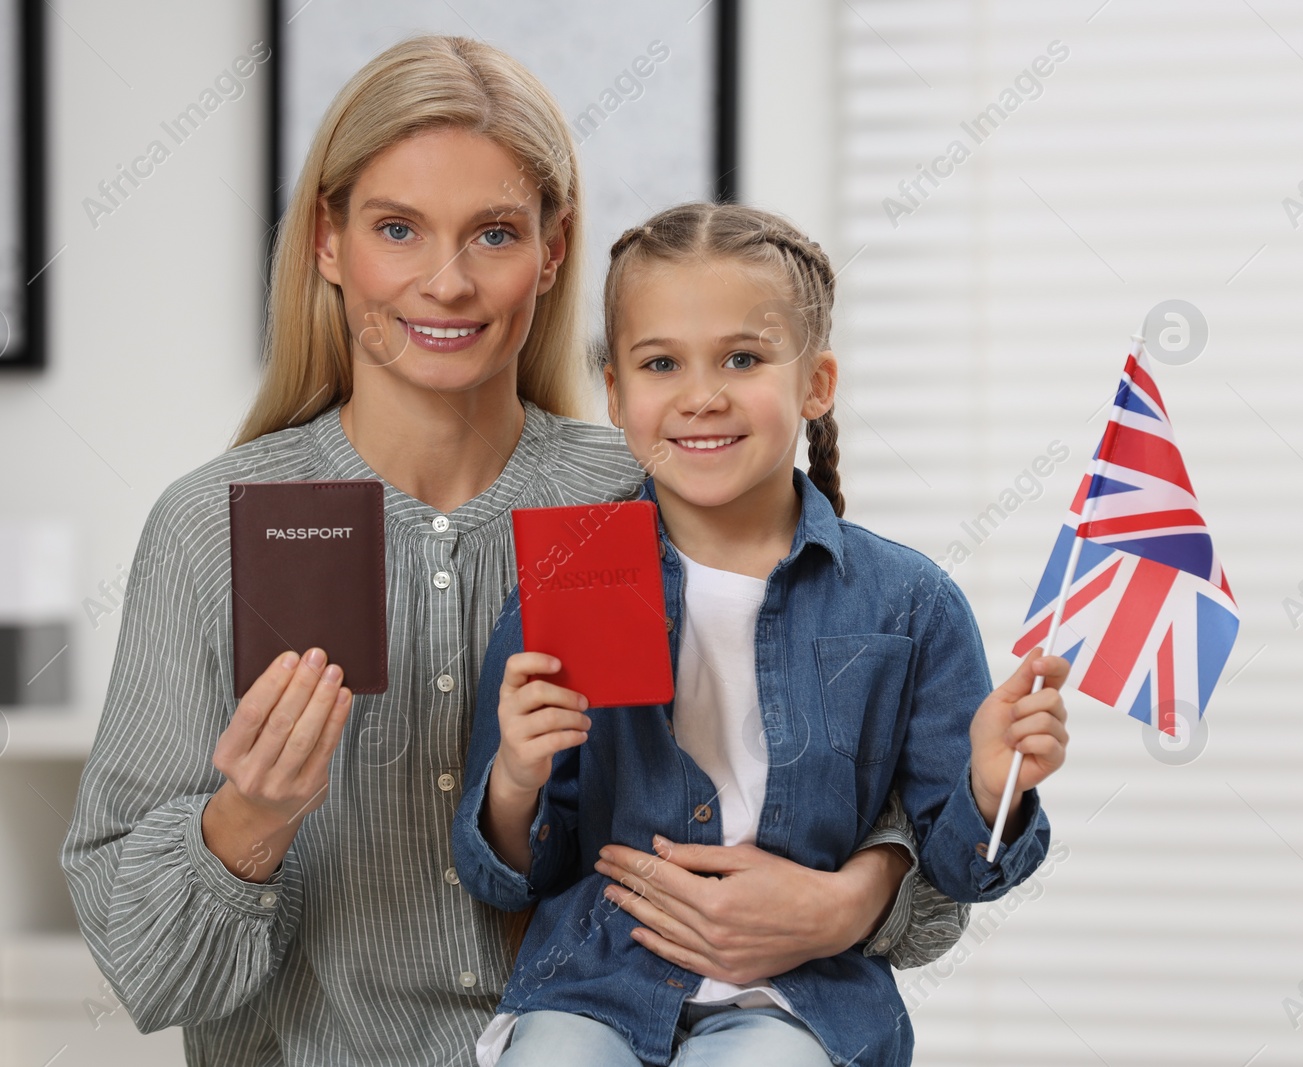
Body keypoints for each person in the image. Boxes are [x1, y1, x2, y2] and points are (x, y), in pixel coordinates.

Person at [61, 37, 966, 1067]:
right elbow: (143, 969)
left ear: (551, 248)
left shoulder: (651, 489)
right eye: (396, 228)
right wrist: (249, 820)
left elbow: (893, 782)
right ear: (326, 240)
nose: (444, 283)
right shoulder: (209, 528)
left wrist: (852, 896)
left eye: (492, 233)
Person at [451, 202, 1072, 1067]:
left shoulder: (910, 604)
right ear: (618, 394)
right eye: (661, 362)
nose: (702, 394)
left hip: (797, 997)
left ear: (815, 384)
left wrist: (991, 784)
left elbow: (960, 870)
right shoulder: (570, 581)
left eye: (742, 358)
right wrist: (516, 777)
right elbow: (514, 871)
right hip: (591, 981)